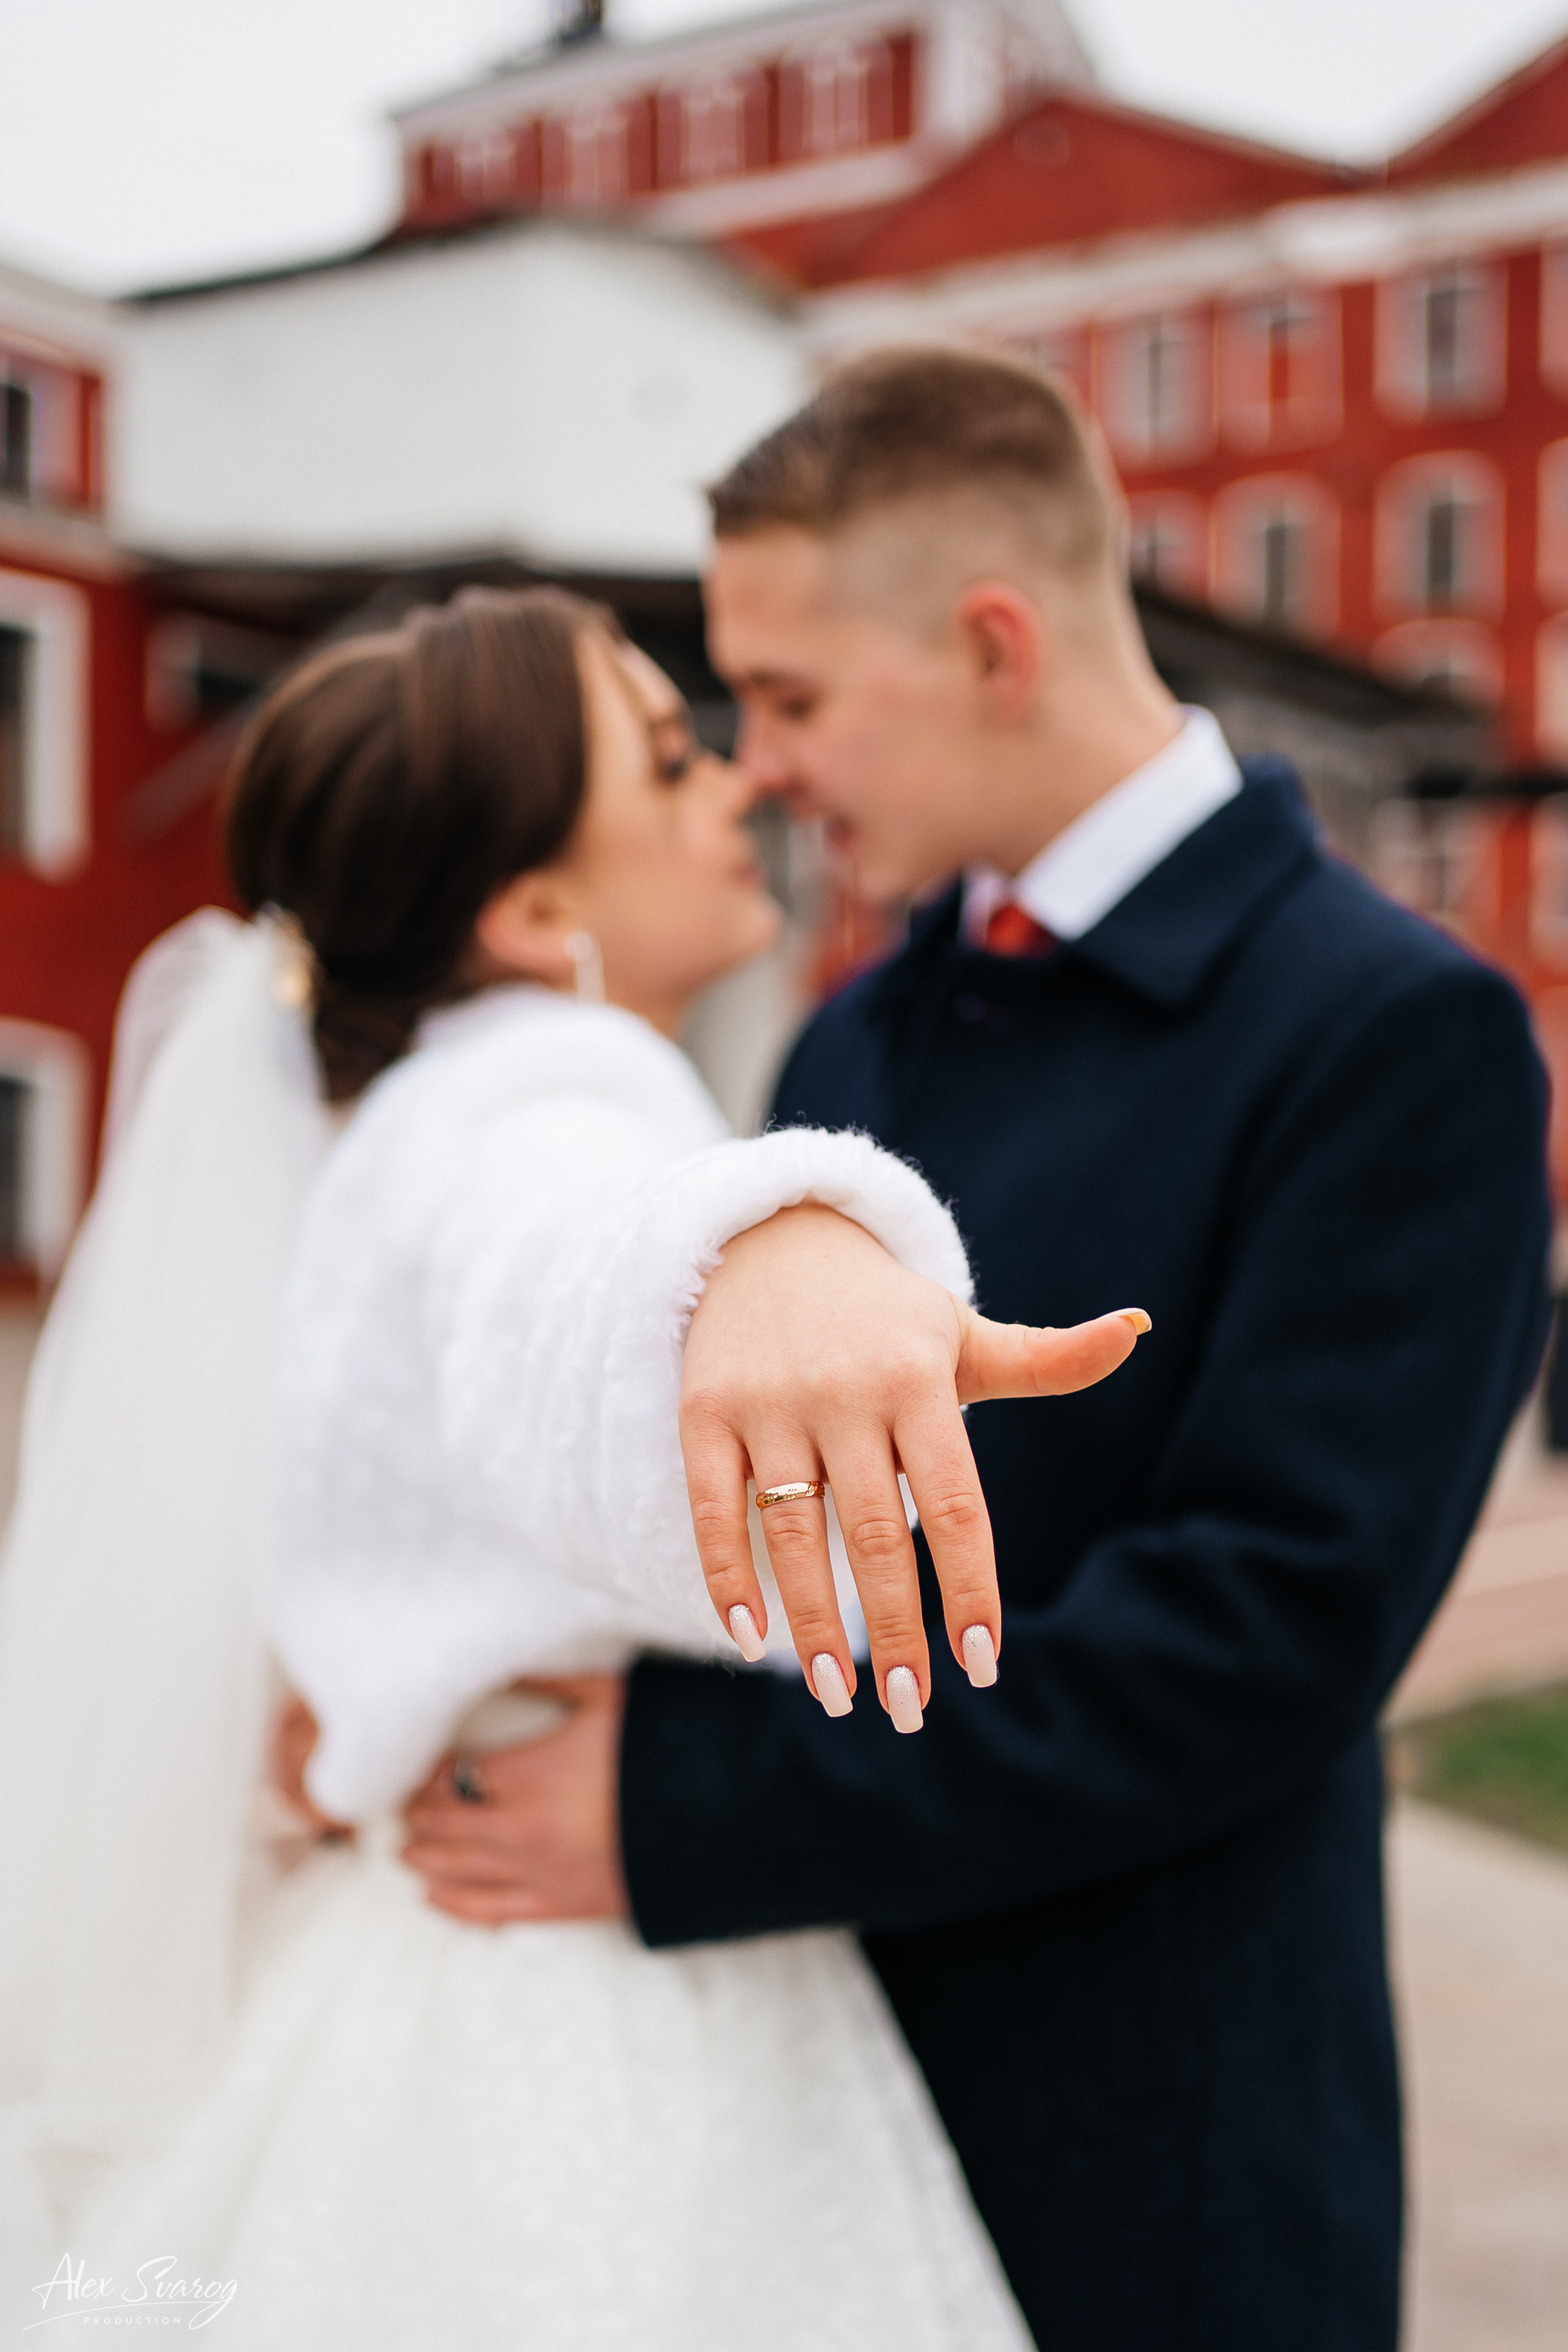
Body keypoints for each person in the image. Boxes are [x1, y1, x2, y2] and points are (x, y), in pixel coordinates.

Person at [398, 352, 1555, 2350]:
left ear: (991, 643)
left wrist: (679, 1808)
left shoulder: (1394, 1031)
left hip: (1144, 2139)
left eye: (790, 696)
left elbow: (1252, 1644)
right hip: (820, 2092)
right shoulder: (858, 1027)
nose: (758, 767)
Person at [0, 584, 1142, 2347]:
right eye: (673, 758)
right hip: (563, 2011)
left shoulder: (380, 1120)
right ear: (536, 912)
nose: (736, 791)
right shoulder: (538, 1094)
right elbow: (549, 1269)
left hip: (431, 1929)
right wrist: (757, 1257)